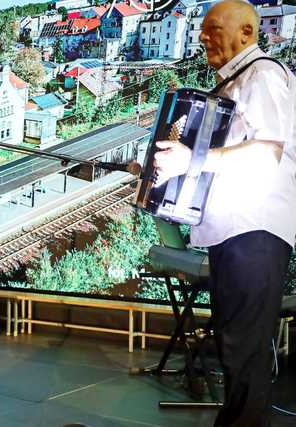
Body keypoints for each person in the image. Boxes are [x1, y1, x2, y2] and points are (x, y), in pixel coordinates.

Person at [154, 1, 296, 425]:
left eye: (213, 28)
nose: (202, 36)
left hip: (254, 231)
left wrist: (189, 161)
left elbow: (268, 151)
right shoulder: (235, 82)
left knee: (245, 352)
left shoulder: (263, 75)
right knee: (236, 349)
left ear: (247, 33)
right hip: (233, 233)